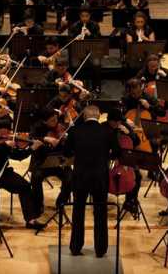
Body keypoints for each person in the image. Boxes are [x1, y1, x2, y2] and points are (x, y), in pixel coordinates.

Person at [65, 105, 121, 257]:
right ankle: (100, 249)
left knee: (78, 211)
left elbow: (66, 152)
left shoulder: (75, 131)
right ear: (99, 116)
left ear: (84, 116)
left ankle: (76, 247)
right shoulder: (108, 131)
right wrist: (106, 156)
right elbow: (117, 152)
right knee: (100, 213)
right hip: (100, 177)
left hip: (80, 176)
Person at [29, 108, 73, 215]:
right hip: (41, 162)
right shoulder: (37, 127)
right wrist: (45, 138)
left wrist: (67, 139)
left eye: (56, 119)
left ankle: (60, 203)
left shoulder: (60, 126)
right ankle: (38, 205)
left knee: (71, 178)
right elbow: (31, 137)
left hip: (59, 162)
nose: (56, 122)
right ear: (45, 121)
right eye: (52, 120)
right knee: (36, 177)